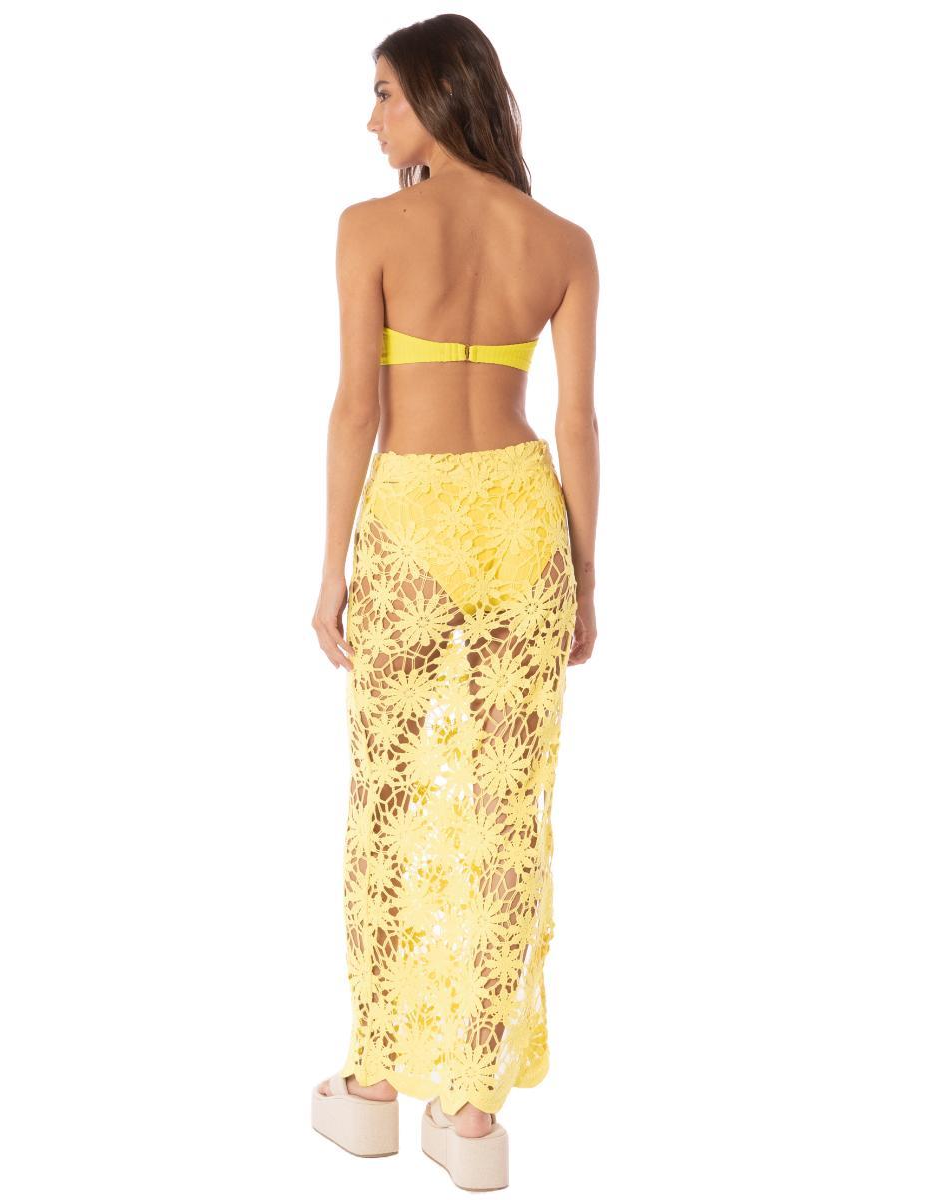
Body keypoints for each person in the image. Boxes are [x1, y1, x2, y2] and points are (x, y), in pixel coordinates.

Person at [310, 15, 599, 1190]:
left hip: (414, 519)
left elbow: (356, 409)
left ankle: (375, 1085)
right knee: (504, 810)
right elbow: (576, 422)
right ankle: (472, 1116)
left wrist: (331, 569)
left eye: (384, 93)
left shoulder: (369, 229)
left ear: (436, 94)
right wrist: (587, 573)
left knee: (387, 798)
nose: (371, 119)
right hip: (527, 521)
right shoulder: (562, 241)